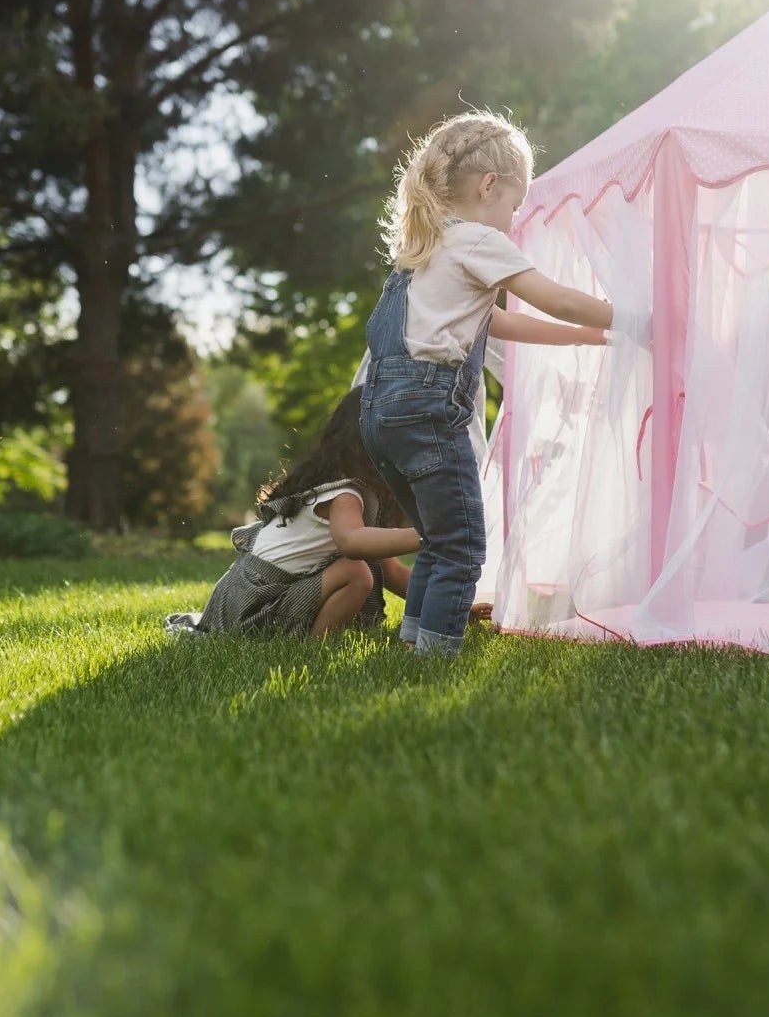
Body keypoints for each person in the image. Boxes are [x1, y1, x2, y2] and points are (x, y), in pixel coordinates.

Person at [360, 111, 648, 656]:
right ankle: (437, 655)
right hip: (427, 409)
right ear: (488, 185)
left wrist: (588, 336)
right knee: (464, 550)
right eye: (515, 206)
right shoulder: (477, 241)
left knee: (438, 544)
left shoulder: (422, 248)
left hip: (380, 413)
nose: (514, 220)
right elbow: (552, 297)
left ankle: (411, 646)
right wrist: (629, 316)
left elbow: (499, 321)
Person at [180, 386, 420, 638]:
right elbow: (352, 543)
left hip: (239, 600)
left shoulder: (333, 485)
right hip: (253, 606)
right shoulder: (344, 495)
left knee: (364, 564)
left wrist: (457, 609)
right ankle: (313, 647)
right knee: (355, 571)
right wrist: (426, 536)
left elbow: (392, 572)